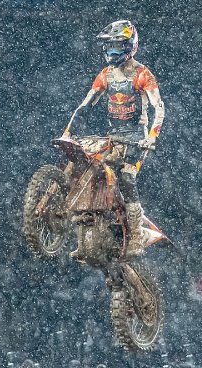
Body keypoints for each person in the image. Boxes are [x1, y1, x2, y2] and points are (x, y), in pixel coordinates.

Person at [62, 20, 164, 257]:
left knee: (127, 177)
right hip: (113, 137)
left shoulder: (142, 74)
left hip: (137, 139)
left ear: (130, 47)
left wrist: (152, 137)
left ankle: (137, 235)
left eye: (118, 47)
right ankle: (85, 238)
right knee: (87, 173)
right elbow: (85, 105)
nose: (112, 52)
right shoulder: (105, 75)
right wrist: (69, 131)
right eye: (109, 47)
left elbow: (159, 107)